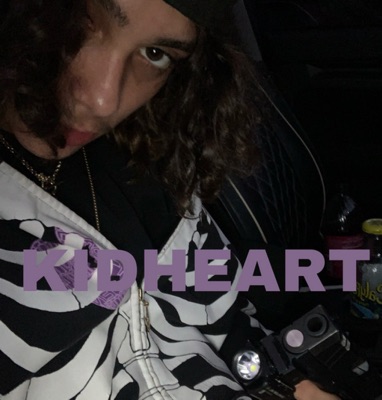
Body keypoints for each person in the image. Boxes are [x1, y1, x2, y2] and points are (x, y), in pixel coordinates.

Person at [0, 0, 340, 399]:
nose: (103, 100)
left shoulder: (147, 157)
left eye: (155, 53)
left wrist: (293, 386)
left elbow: (227, 314)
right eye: (81, 24)